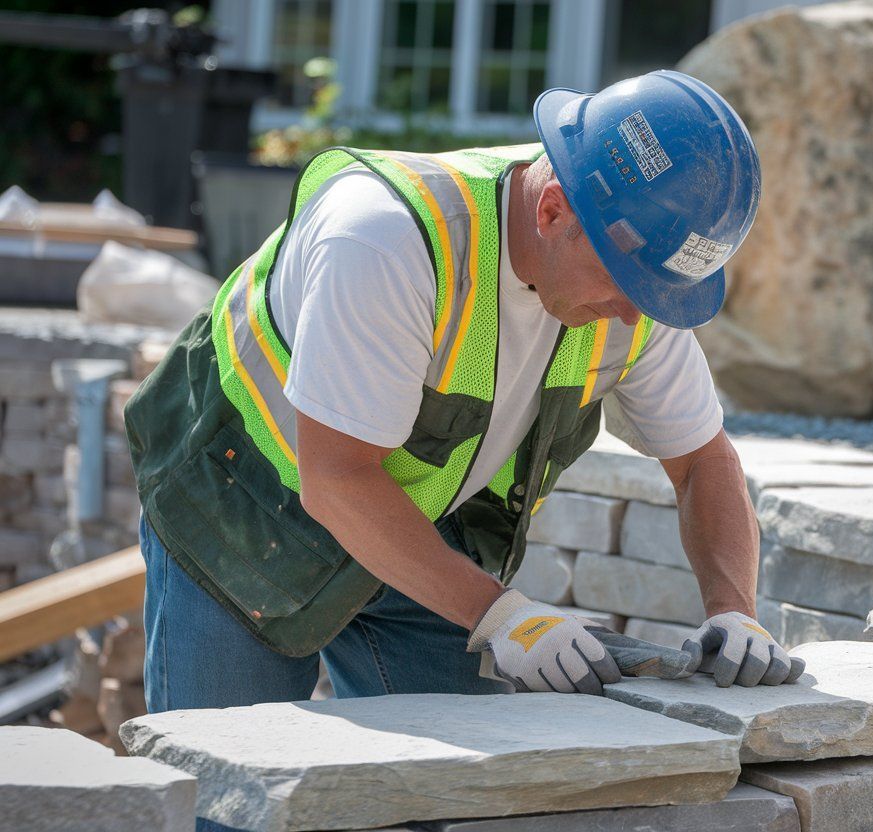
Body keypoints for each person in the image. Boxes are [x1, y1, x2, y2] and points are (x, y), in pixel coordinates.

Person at [124, 69, 803, 711]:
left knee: (449, 793)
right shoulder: (387, 241)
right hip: (243, 513)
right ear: (553, 209)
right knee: (230, 791)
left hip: (415, 521)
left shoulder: (631, 278)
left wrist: (734, 610)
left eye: (656, 292)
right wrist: (498, 614)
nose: (635, 314)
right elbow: (334, 480)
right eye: (626, 285)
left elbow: (703, 462)